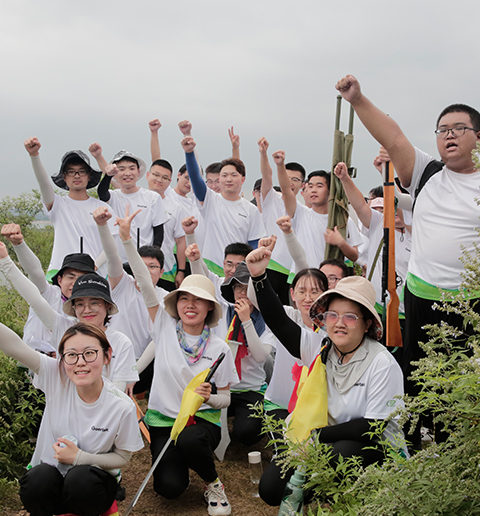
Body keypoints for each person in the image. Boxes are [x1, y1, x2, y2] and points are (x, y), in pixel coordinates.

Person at [335, 74, 480, 403]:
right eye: (442, 130)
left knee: (467, 384)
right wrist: (357, 99)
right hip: (422, 295)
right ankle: (424, 432)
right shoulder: (427, 174)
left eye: (459, 128)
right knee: (423, 380)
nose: (449, 135)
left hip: (471, 300)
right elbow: (395, 138)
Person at [245, 245, 406, 506]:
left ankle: (363, 497)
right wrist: (259, 277)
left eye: (350, 317)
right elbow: (279, 323)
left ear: (367, 323)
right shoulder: (322, 349)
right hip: (324, 440)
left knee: (339, 454)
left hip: (374, 448)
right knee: (271, 489)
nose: (339, 323)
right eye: (332, 315)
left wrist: (317, 437)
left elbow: (371, 428)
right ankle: (317, 492)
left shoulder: (381, 363)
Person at [117, 208, 238, 515]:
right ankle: (182, 460)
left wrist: (210, 398)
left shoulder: (219, 347)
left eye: (198, 300)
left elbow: (226, 397)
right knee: (169, 488)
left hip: (201, 422)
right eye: (184, 298)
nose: (190, 305)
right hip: (163, 421)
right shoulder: (164, 327)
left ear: (209, 308)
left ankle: (213, 483)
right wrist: (127, 240)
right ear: (176, 303)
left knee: (190, 439)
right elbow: (145, 283)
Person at [0, 321, 143, 516]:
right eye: (72, 355)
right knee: (36, 482)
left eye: (89, 353)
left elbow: (123, 457)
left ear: (107, 356)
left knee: (81, 480)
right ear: (62, 359)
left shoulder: (121, 406)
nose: (80, 362)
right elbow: (14, 346)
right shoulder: (55, 376)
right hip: (53, 477)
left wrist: (79, 458)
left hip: (91, 484)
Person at [0, 243, 138, 393]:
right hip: (64, 401)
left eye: (94, 303)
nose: (87, 310)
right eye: (80, 304)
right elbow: (35, 300)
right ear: (73, 308)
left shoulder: (121, 342)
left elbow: (118, 391)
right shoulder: (65, 329)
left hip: (103, 406)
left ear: (107, 306)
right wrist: (5, 261)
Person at [24, 137, 116, 281]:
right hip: (60, 273)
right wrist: (34, 155)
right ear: (64, 177)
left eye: (82, 171)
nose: (77, 176)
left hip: (95, 275)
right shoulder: (58, 204)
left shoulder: (103, 208)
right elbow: (43, 183)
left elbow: (113, 243)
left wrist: (94, 265)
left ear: (89, 176)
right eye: (71, 172)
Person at [1, 223, 96, 351]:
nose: (75, 283)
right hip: (35, 360)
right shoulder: (49, 293)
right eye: (71, 277)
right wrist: (19, 244)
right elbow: (35, 272)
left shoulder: (92, 310)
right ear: (60, 280)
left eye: (82, 278)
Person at [181, 136, 266, 275]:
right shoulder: (210, 200)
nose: (229, 179)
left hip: (237, 272)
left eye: (234, 175)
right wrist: (189, 152)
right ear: (219, 179)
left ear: (243, 179)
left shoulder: (251, 210)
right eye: (224, 175)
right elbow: (195, 178)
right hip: (210, 269)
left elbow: (254, 244)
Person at [273, 149, 362, 274]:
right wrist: (280, 165)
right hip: (302, 278)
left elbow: (355, 256)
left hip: (329, 280)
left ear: (330, 191)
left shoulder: (343, 220)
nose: (313, 190)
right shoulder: (301, 213)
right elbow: (286, 190)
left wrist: (341, 243)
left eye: (319, 186)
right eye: (310, 186)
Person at [219, 262, 276, 446]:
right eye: (238, 288)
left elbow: (261, 356)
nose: (243, 293)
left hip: (251, 389)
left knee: (247, 433)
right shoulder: (222, 313)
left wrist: (246, 321)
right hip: (220, 387)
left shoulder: (267, 321)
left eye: (247, 288)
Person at [89, 145, 169, 262]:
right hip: (117, 261)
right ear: (115, 174)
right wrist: (108, 175)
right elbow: (102, 192)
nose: (127, 173)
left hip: (143, 260)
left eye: (132, 168)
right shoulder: (113, 196)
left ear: (138, 171)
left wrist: (153, 258)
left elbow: (159, 232)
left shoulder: (152, 197)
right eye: (121, 169)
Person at [146, 158, 188, 290]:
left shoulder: (176, 208)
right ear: (148, 175)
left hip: (166, 270)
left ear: (169, 182)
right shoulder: (137, 200)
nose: (159, 180)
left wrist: (181, 271)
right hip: (137, 267)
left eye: (164, 178)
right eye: (156, 175)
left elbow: (181, 241)